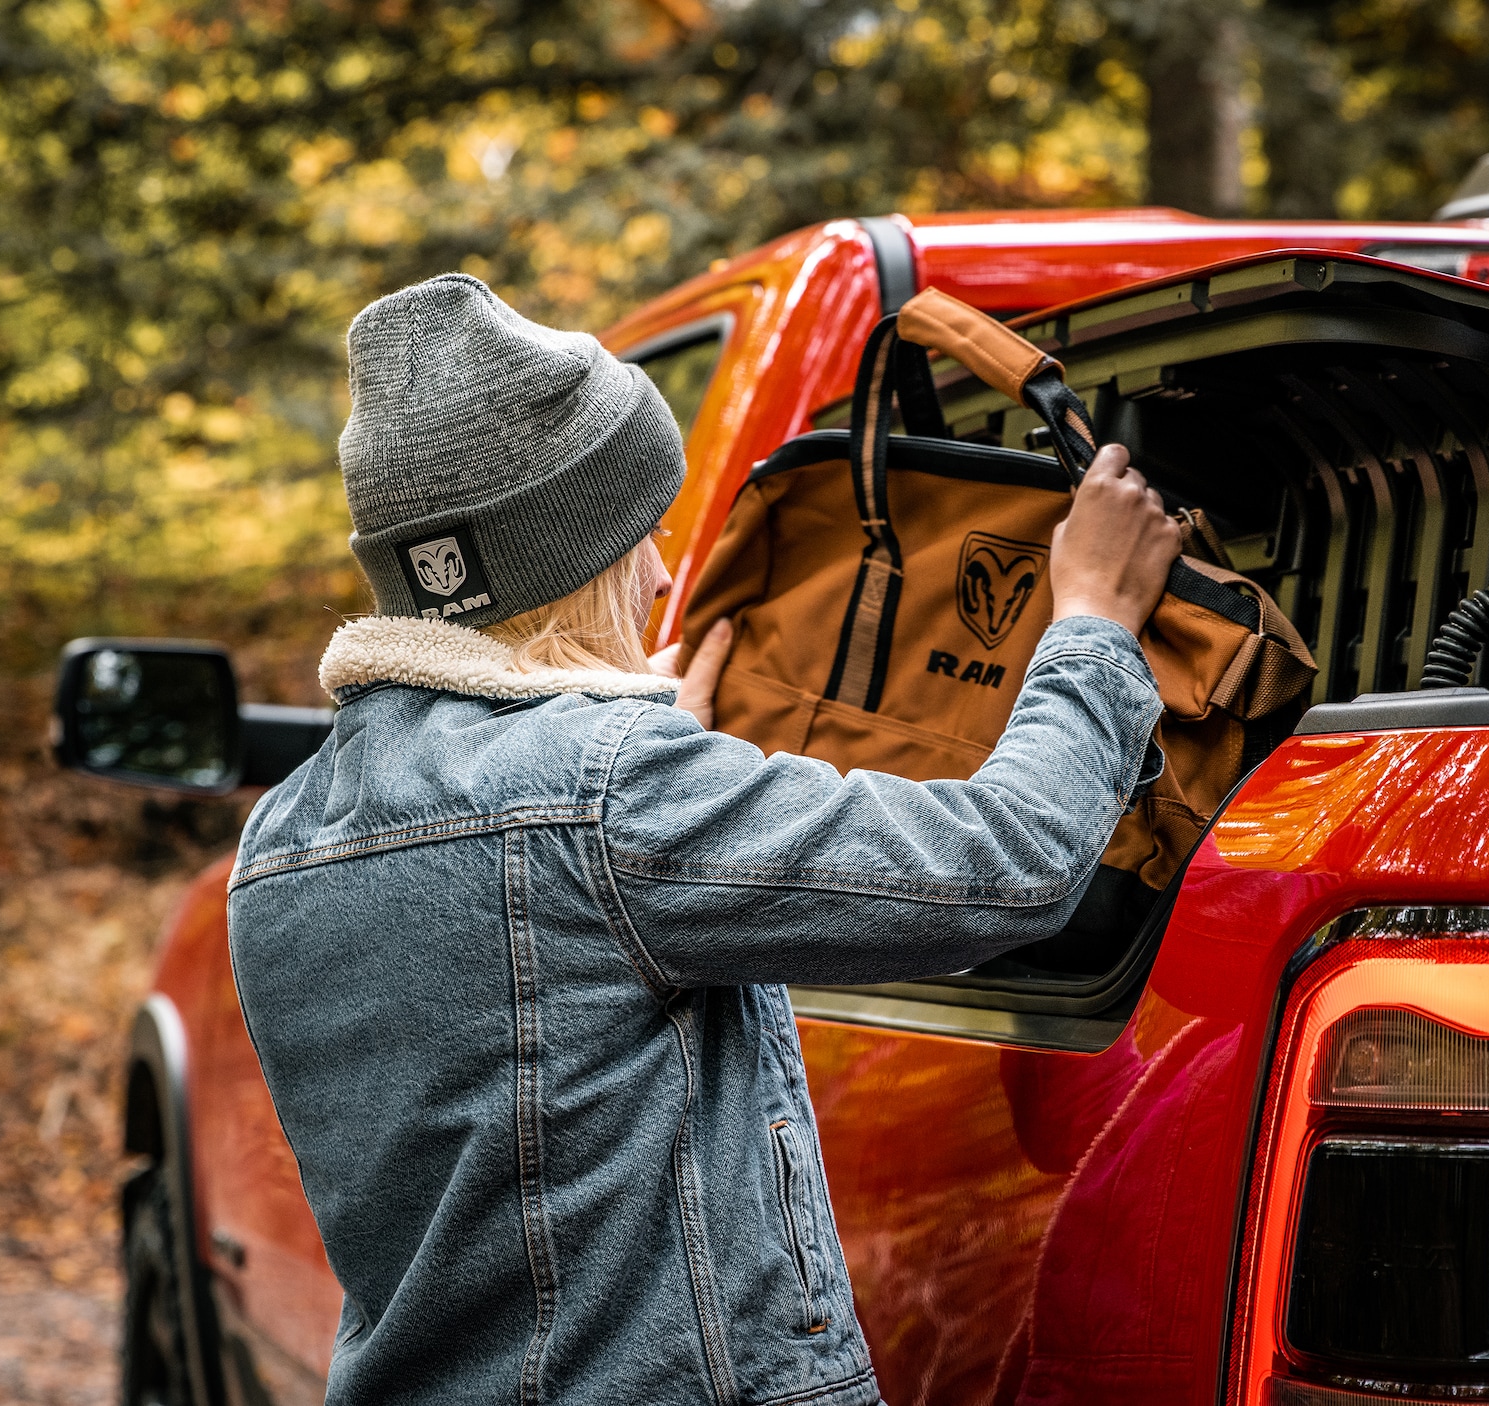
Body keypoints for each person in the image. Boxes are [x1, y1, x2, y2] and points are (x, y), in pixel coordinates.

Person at [226, 273, 1183, 1406]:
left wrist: (652, 733)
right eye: (642, 532)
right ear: (565, 559)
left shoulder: (280, 839)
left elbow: (525, 975)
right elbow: (1010, 861)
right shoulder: (614, 800)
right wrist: (1090, 623)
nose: (668, 572)